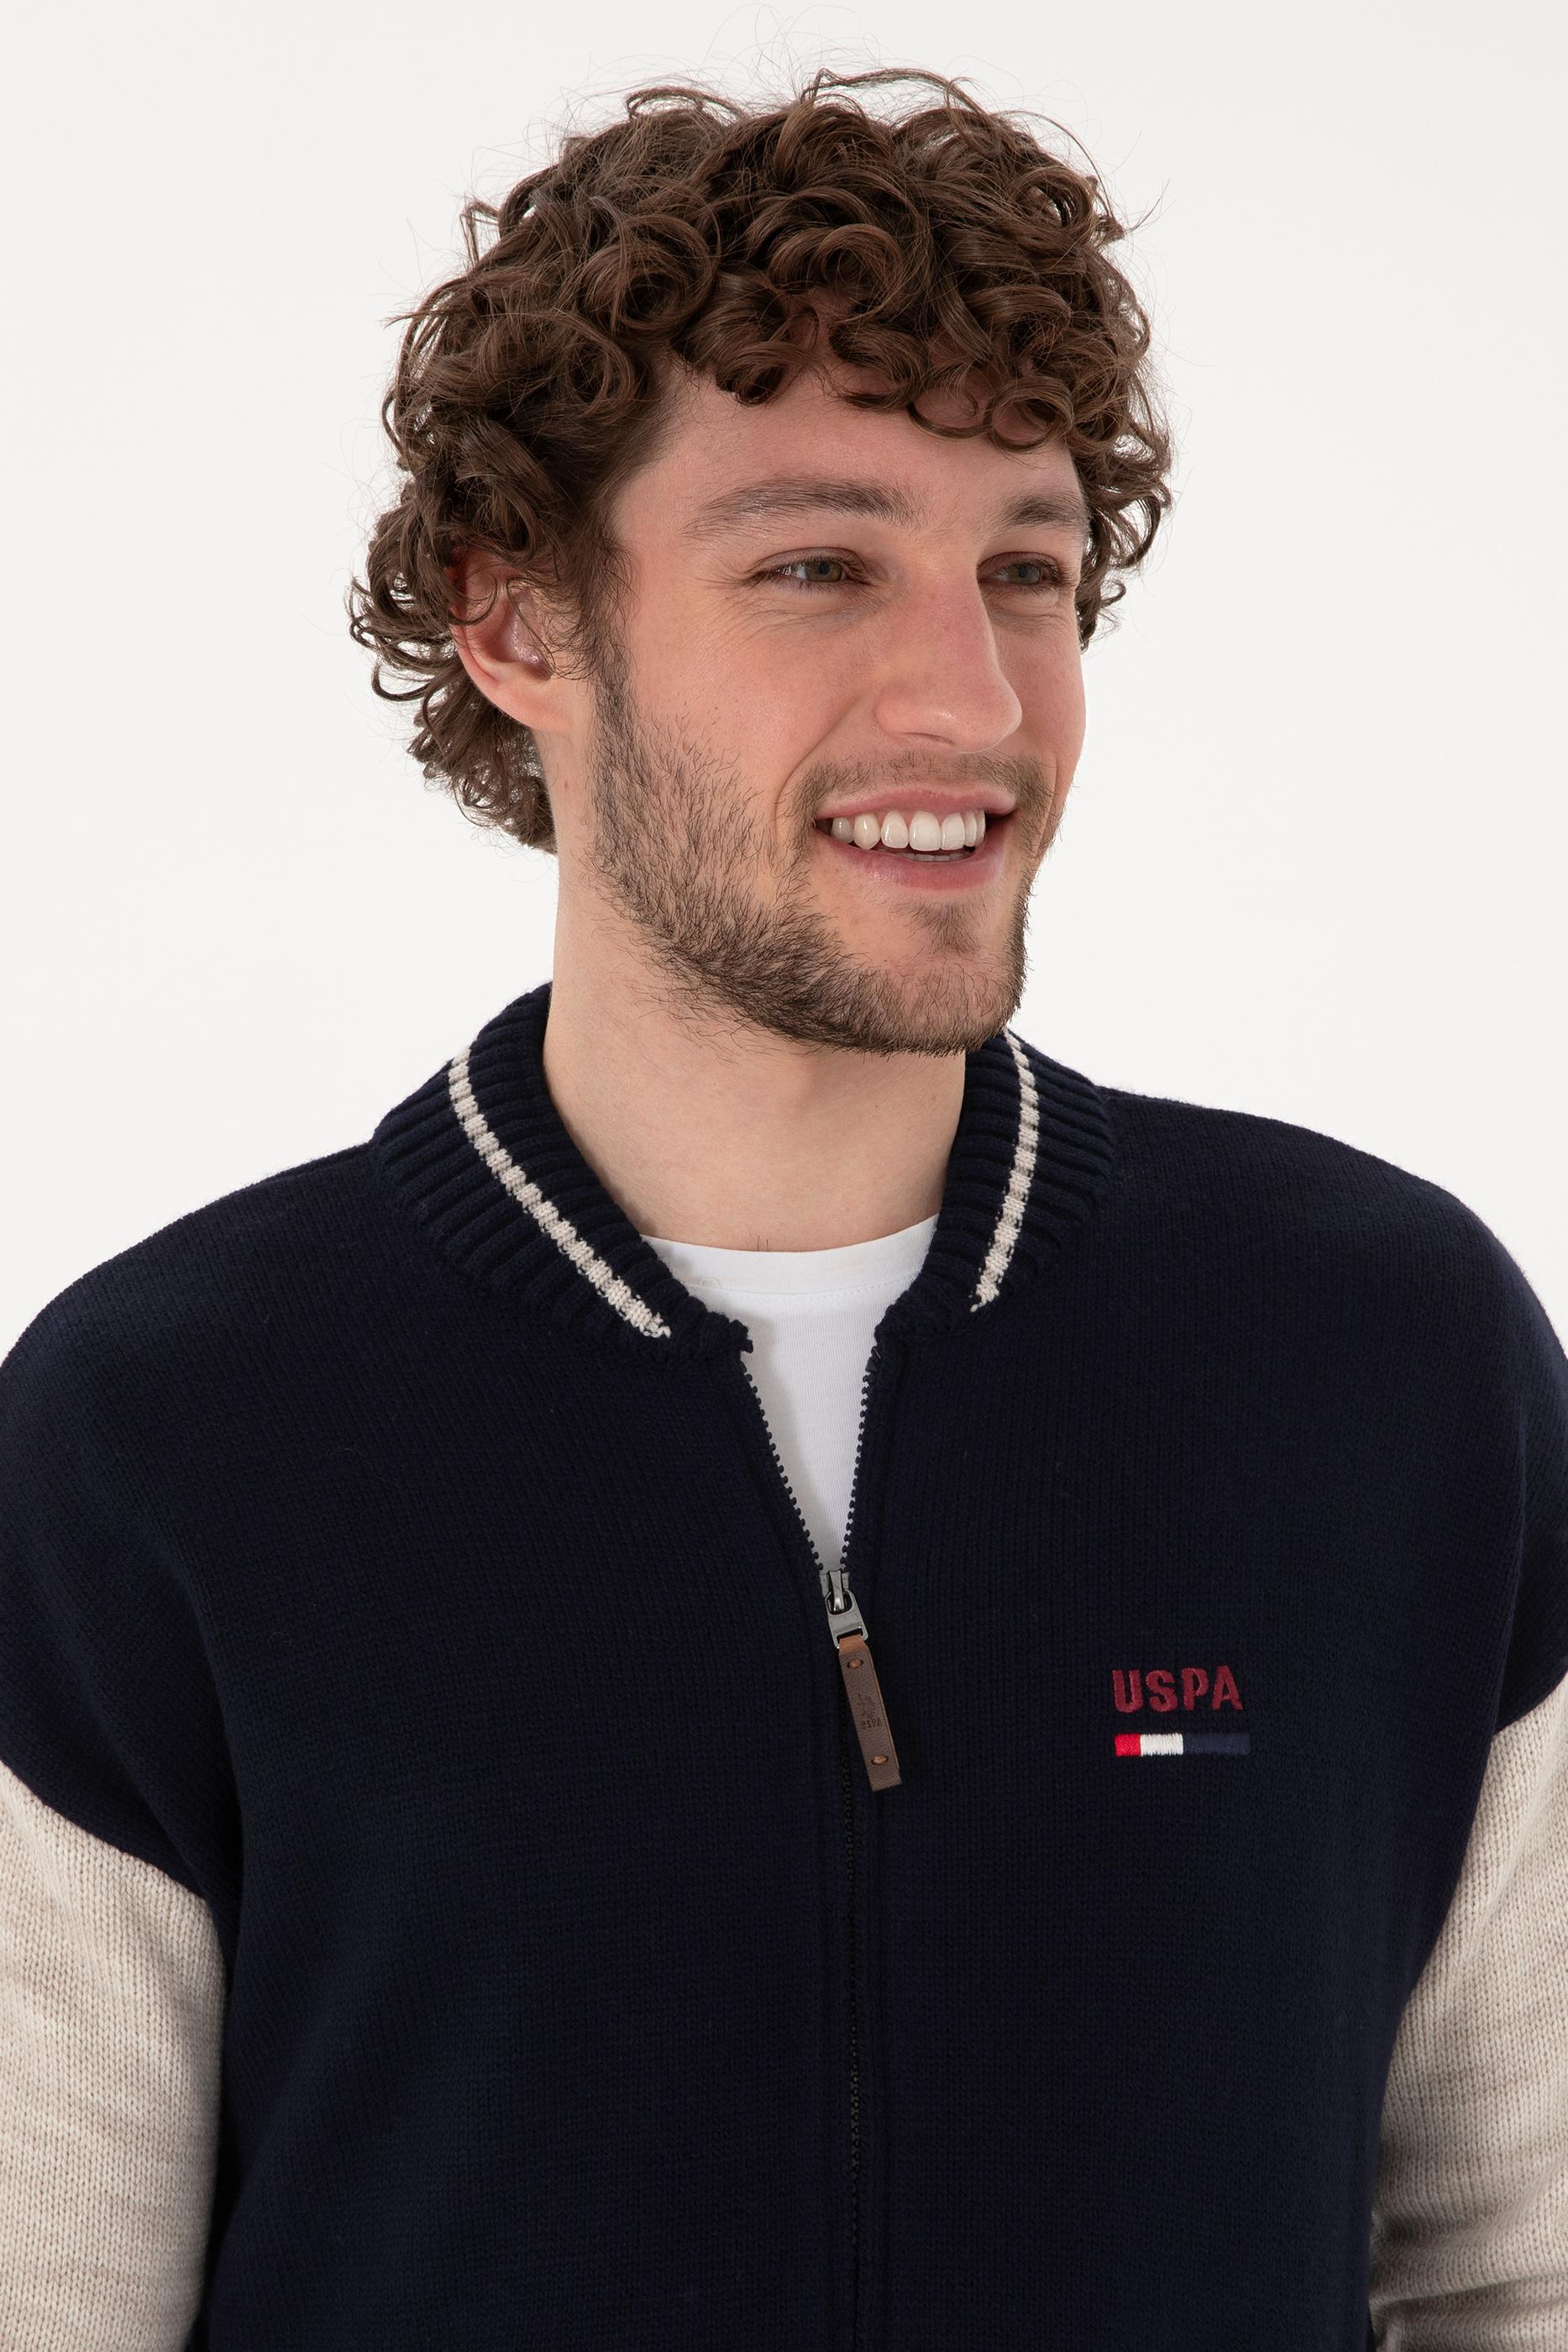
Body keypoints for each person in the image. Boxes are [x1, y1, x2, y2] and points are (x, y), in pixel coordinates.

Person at [1, 66, 1564, 2351]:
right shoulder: (167, 1432)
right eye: (818, 566)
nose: (971, 696)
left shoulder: (1385, 1362)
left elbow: (1526, 2261)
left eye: (1024, 571)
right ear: (518, 622)